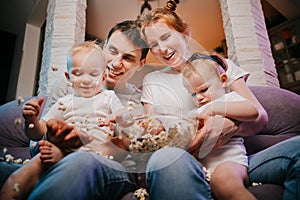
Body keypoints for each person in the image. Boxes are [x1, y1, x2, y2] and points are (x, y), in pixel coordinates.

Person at [140, 1, 299, 199]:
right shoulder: (153, 80)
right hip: (185, 160)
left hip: (231, 160)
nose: (162, 49)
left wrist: (227, 124)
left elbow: (260, 117)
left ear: (184, 33)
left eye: (166, 37)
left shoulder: (219, 66)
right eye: (153, 45)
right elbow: (149, 128)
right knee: (168, 159)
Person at [0, 41, 133, 199]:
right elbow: (38, 133)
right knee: (40, 158)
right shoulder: (64, 103)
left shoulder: (108, 98)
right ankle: (18, 185)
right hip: (64, 150)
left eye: (93, 74)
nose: (85, 80)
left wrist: (120, 117)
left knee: (55, 159)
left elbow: (125, 117)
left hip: (95, 153)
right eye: (78, 73)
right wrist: (32, 120)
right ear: (68, 76)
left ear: (103, 76)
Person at [182, 52, 258, 199]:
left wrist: (214, 108)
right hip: (203, 170)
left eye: (203, 90)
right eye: (193, 94)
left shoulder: (229, 100)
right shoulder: (196, 111)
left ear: (223, 80)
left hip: (229, 162)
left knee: (223, 180)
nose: (198, 97)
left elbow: (253, 111)